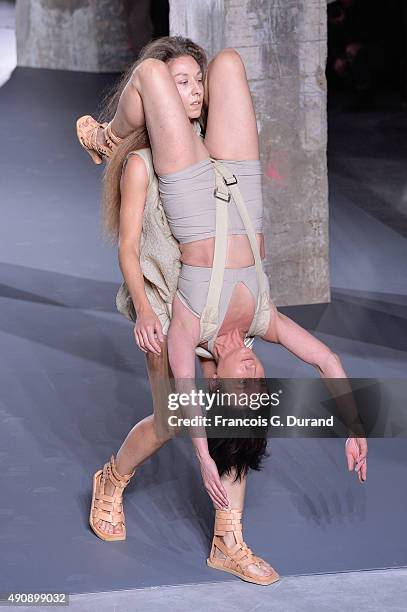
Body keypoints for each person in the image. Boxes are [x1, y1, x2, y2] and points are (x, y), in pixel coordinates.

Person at [77, 36, 367, 586]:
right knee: (231, 60)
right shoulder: (264, 322)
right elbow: (326, 360)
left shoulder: (192, 326)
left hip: (191, 195)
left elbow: (189, 397)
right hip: (239, 186)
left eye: (246, 384)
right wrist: (354, 428)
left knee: (172, 418)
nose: (257, 373)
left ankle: (153, 501)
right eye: (263, 382)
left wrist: (206, 459)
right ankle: (109, 138)